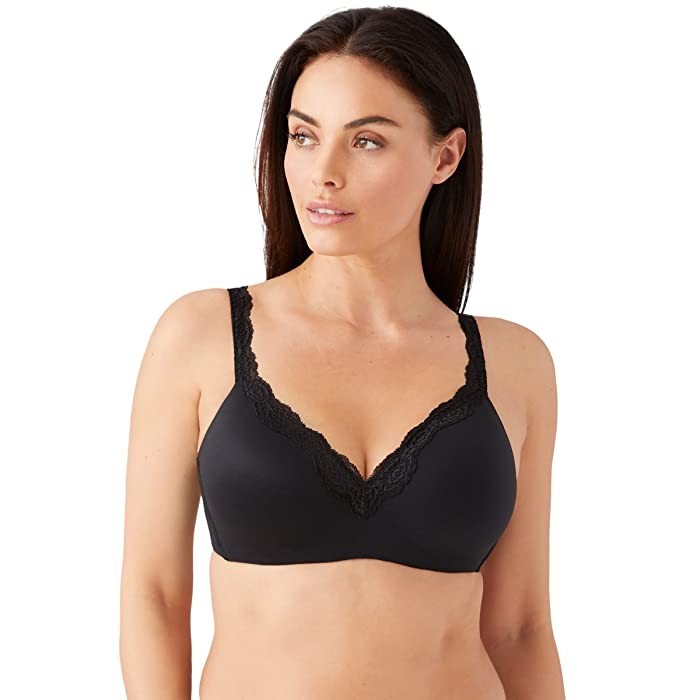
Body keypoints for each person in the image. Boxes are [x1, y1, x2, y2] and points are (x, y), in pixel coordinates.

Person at [119, 7, 565, 699]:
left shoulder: (516, 363)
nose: (322, 173)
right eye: (304, 135)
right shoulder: (201, 336)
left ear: (445, 157)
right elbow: (154, 596)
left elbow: (520, 629)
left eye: (366, 142)